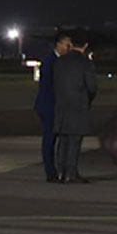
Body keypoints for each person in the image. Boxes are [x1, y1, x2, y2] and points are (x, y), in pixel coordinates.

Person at [52, 32, 97, 184]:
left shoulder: (59, 61)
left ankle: (60, 172)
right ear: (85, 46)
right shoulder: (85, 63)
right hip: (78, 105)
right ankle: (71, 173)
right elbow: (92, 87)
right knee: (74, 141)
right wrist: (87, 99)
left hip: (61, 104)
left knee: (62, 140)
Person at [34, 29, 73, 183]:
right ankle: (50, 172)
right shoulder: (50, 62)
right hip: (49, 106)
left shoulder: (59, 61)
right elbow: (49, 87)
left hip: (54, 106)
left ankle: (56, 170)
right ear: (58, 44)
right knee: (49, 140)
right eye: (66, 44)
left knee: (55, 139)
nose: (68, 48)